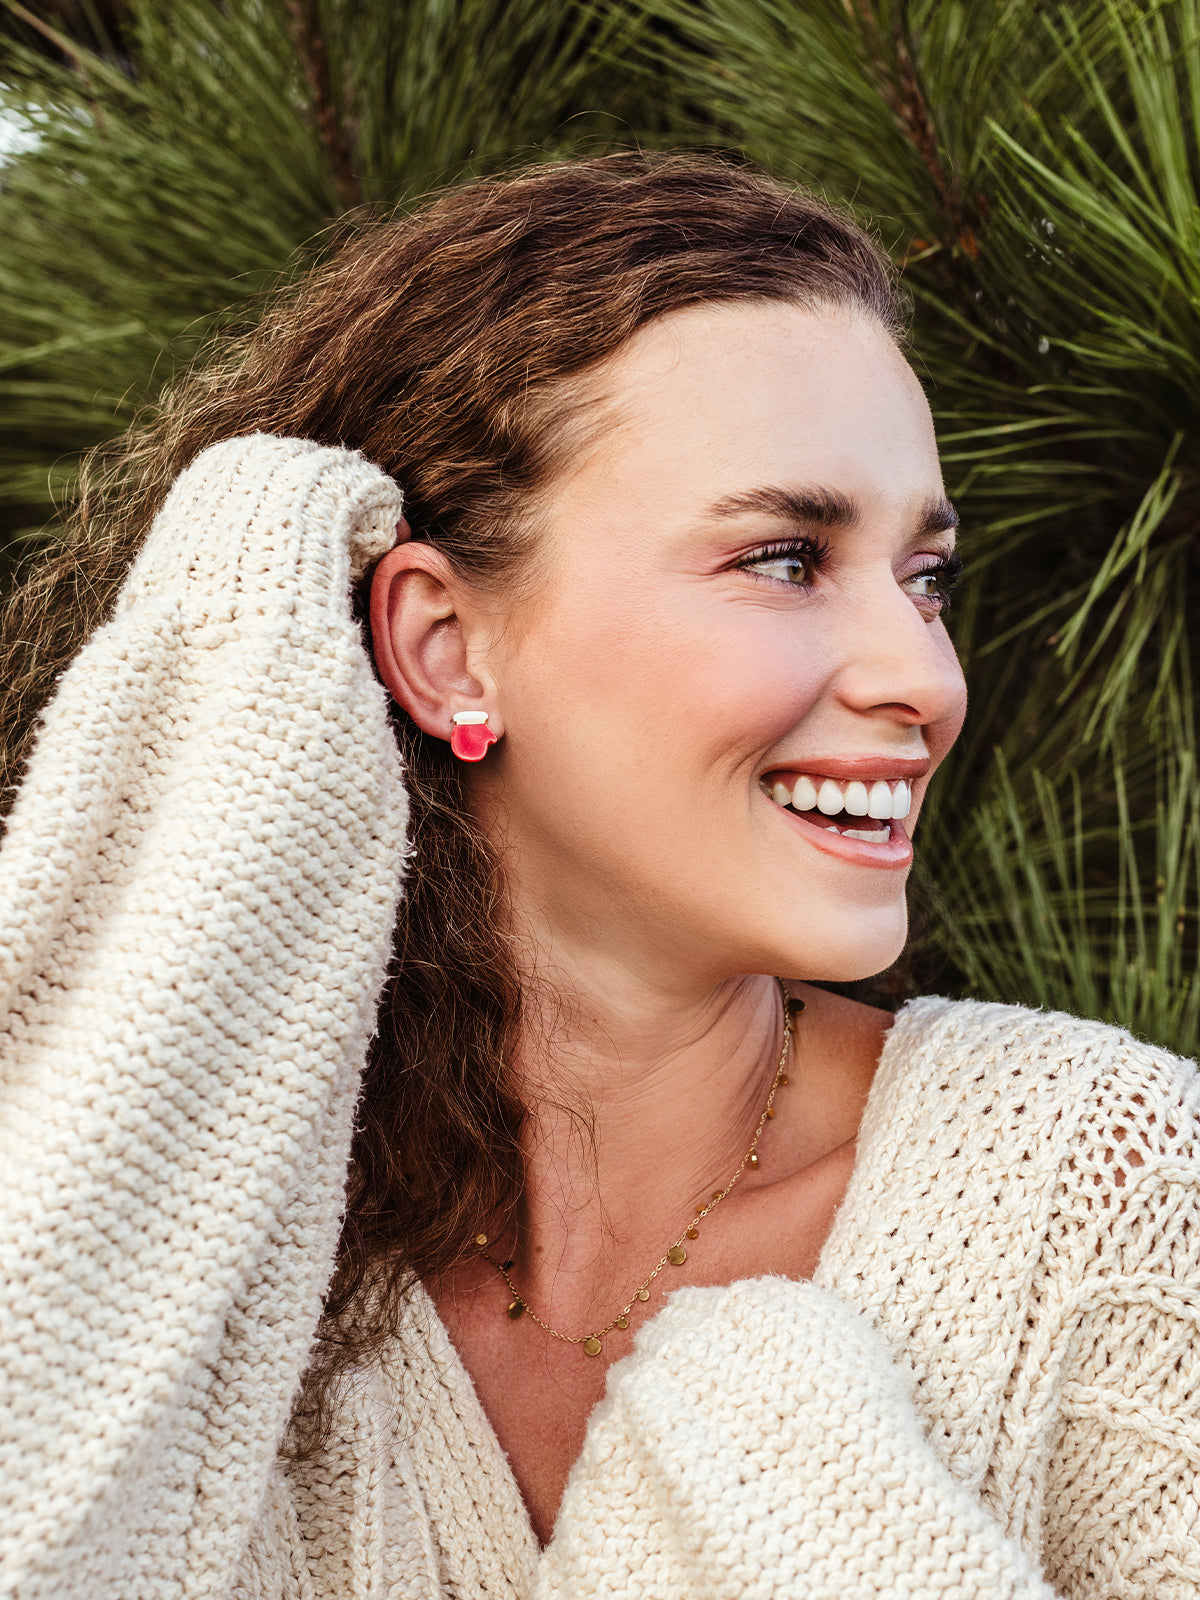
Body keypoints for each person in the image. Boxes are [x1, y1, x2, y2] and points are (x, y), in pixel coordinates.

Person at [0, 154, 1197, 1600]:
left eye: (925, 577)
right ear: (445, 647)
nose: (925, 680)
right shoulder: (191, 1275)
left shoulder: (1113, 1194)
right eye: (785, 558)